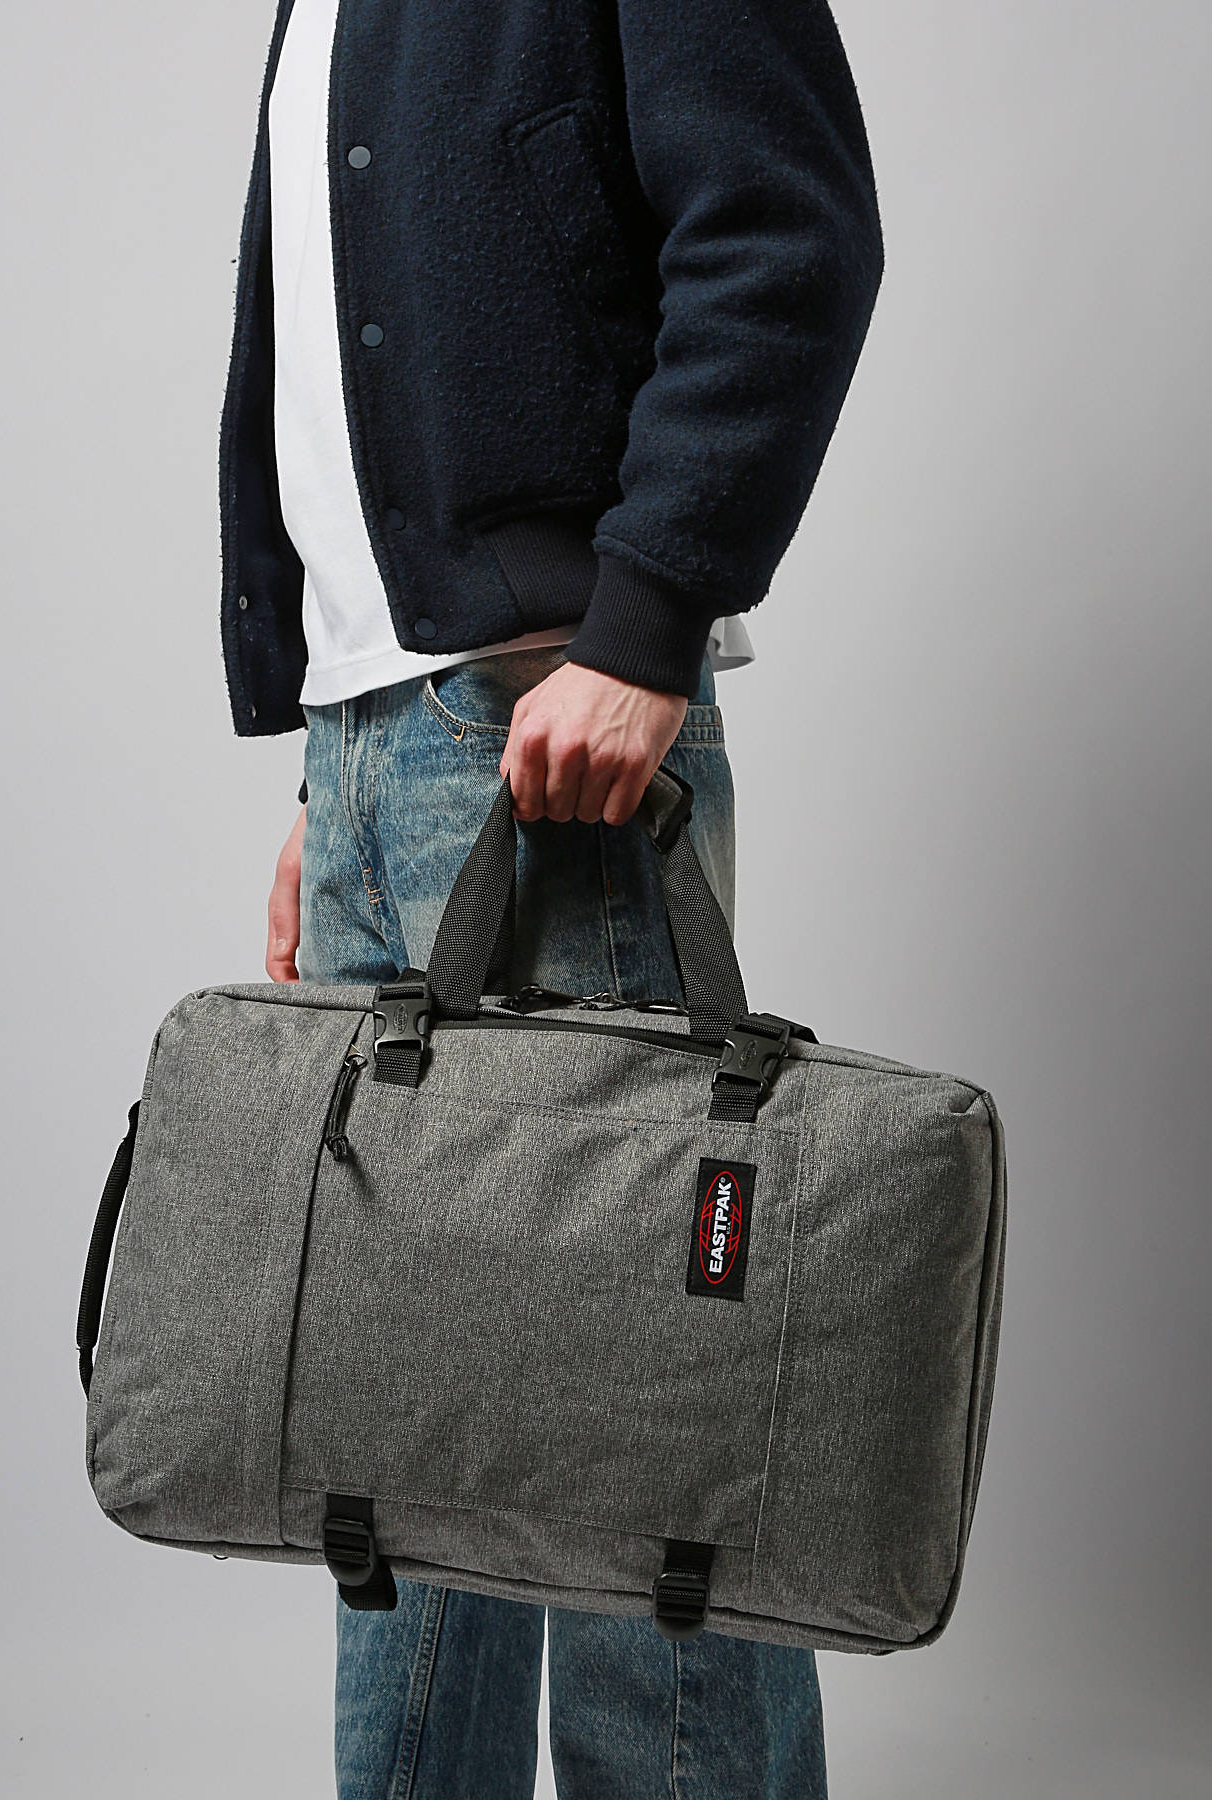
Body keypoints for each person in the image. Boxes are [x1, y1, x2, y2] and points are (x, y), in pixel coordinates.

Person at [219, 1, 882, 1791]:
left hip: (543, 717)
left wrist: (646, 619)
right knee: (393, 1417)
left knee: (627, 1406)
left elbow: (785, 224)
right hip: (382, 738)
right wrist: (332, 765)